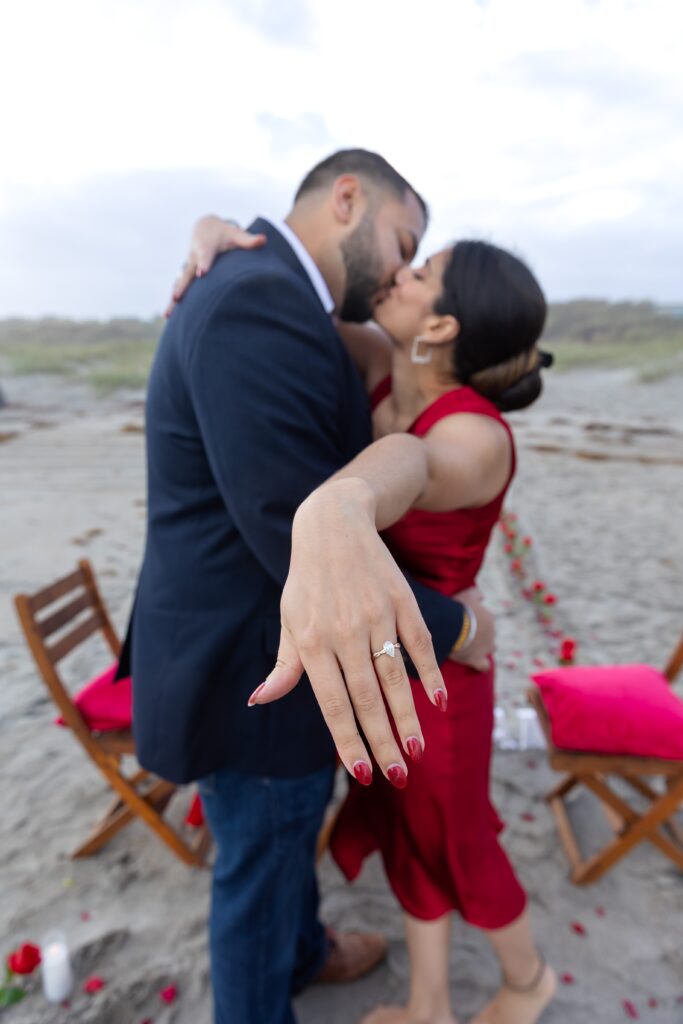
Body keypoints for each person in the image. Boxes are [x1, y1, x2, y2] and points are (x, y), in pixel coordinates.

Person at [123, 149, 494, 1024]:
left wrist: (216, 228)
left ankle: (305, 951)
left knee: (288, 843)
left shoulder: (285, 297)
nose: (402, 268)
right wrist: (460, 630)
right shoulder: (257, 296)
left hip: (267, 643)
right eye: (404, 242)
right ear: (347, 199)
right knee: (256, 869)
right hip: (246, 660)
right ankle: (270, 983)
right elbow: (298, 527)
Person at [179, 221, 556, 1023]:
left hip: (443, 669)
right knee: (407, 828)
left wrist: (343, 502)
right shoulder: (387, 364)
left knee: (457, 837)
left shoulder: (475, 434)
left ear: (444, 325)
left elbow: (413, 465)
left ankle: (527, 981)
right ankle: (428, 1006)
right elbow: (290, 299)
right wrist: (228, 233)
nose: (399, 274)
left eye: (423, 271)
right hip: (388, 653)